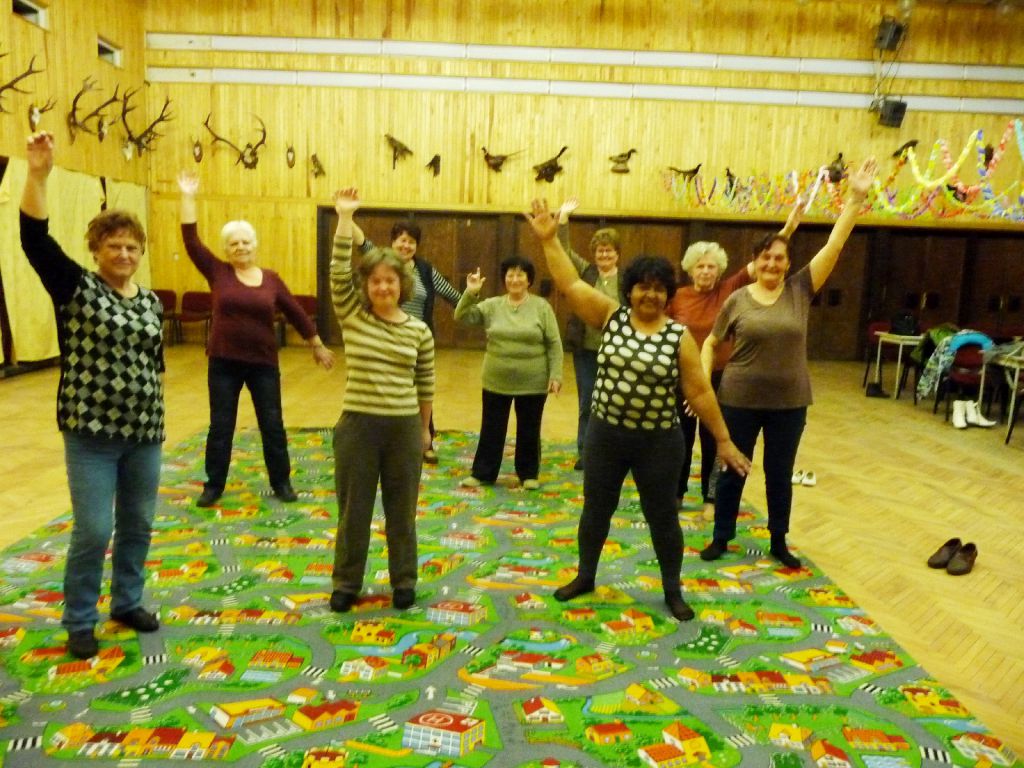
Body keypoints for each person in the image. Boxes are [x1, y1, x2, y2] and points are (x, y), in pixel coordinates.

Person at [525, 199, 751, 621]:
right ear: (629, 290)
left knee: (662, 517)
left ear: (667, 294)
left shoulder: (678, 336)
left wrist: (723, 440)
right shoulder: (610, 316)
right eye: (643, 286)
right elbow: (570, 283)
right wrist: (550, 240)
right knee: (596, 511)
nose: (651, 294)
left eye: (659, 288)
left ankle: (672, 589)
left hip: (658, 443)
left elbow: (700, 392)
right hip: (606, 436)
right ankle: (585, 576)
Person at [18, 131, 164, 659]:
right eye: (113, 245)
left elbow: (154, 364)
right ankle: (80, 618)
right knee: (94, 530)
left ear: (140, 252)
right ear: (96, 250)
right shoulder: (77, 289)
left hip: (145, 435)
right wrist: (38, 175)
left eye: (131, 246)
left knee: (138, 524)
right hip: (91, 436)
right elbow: (35, 242)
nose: (123, 253)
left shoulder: (151, 302)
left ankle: (127, 601)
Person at [700, 158, 878, 568]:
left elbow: (834, 245)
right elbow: (711, 342)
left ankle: (778, 539)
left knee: (779, 474)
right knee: (732, 470)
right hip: (738, 400)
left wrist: (855, 199)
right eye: (765, 258)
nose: (772, 264)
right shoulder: (736, 300)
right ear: (756, 261)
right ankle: (722, 536)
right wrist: (706, 381)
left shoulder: (801, 288)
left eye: (779, 258)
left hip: (789, 403)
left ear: (787, 263)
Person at [177, 171, 335, 508]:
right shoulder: (218, 272)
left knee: (272, 425)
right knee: (221, 426)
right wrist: (187, 196)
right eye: (234, 243)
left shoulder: (271, 279)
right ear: (227, 249)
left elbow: (295, 312)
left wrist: (317, 344)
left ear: (255, 245)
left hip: (263, 364)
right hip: (223, 363)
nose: (240, 247)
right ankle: (213, 485)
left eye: (245, 242)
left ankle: (281, 482)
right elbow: (191, 242)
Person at [328, 188, 435, 613]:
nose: (383, 286)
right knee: (353, 511)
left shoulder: (418, 331)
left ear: (402, 285)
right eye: (375, 280)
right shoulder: (354, 316)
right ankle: (346, 582)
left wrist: (424, 431)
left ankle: (404, 580)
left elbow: (425, 383)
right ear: (367, 285)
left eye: (390, 280)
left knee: (401, 512)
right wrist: (344, 218)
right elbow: (339, 272)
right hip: (358, 426)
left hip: (403, 428)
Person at [669, 202, 803, 517]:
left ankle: (711, 498)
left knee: (713, 439)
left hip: (720, 378)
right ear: (690, 269)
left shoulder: (730, 288)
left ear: (719, 269)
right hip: (683, 378)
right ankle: (675, 494)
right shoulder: (678, 297)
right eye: (700, 266)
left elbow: (765, 261)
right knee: (679, 439)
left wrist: (788, 229)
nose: (706, 271)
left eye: (711, 266)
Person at [351, 218, 460, 464]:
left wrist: (474, 299)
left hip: (415, 340)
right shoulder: (381, 262)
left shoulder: (425, 270)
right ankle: (373, 440)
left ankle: (425, 440)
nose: (406, 245)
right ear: (392, 242)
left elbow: (452, 295)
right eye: (402, 240)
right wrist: (346, 216)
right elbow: (361, 241)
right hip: (381, 338)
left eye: (411, 241)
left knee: (422, 389)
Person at [454, 256, 563, 490]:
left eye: (520, 274)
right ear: (504, 279)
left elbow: (554, 343)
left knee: (529, 429)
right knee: (492, 427)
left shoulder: (541, 307)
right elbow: (462, 316)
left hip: (533, 380)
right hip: (496, 379)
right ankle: (483, 472)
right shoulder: (492, 305)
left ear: (529, 280)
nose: (515, 279)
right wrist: (471, 292)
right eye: (510, 275)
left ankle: (528, 473)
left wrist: (556, 375)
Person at [556, 197, 620, 471]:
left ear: (617, 253)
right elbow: (562, 251)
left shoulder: (626, 279)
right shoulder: (586, 272)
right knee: (587, 403)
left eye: (609, 251)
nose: (604, 255)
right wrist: (563, 220)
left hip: (618, 352)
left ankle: (614, 452)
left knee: (615, 403)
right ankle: (586, 451)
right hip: (586, 351)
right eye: (600, 251)